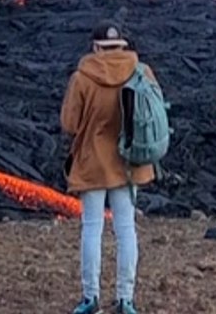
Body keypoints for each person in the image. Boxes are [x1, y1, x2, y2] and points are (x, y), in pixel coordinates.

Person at [60, 22, 158, 314]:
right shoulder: (142, 72)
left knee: (92, 229)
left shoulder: (82, 78)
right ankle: (126, 299)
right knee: (126, 229)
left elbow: (69, 123)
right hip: (129, 163)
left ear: (95, 47)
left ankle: (91, 298)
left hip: (92, 163)